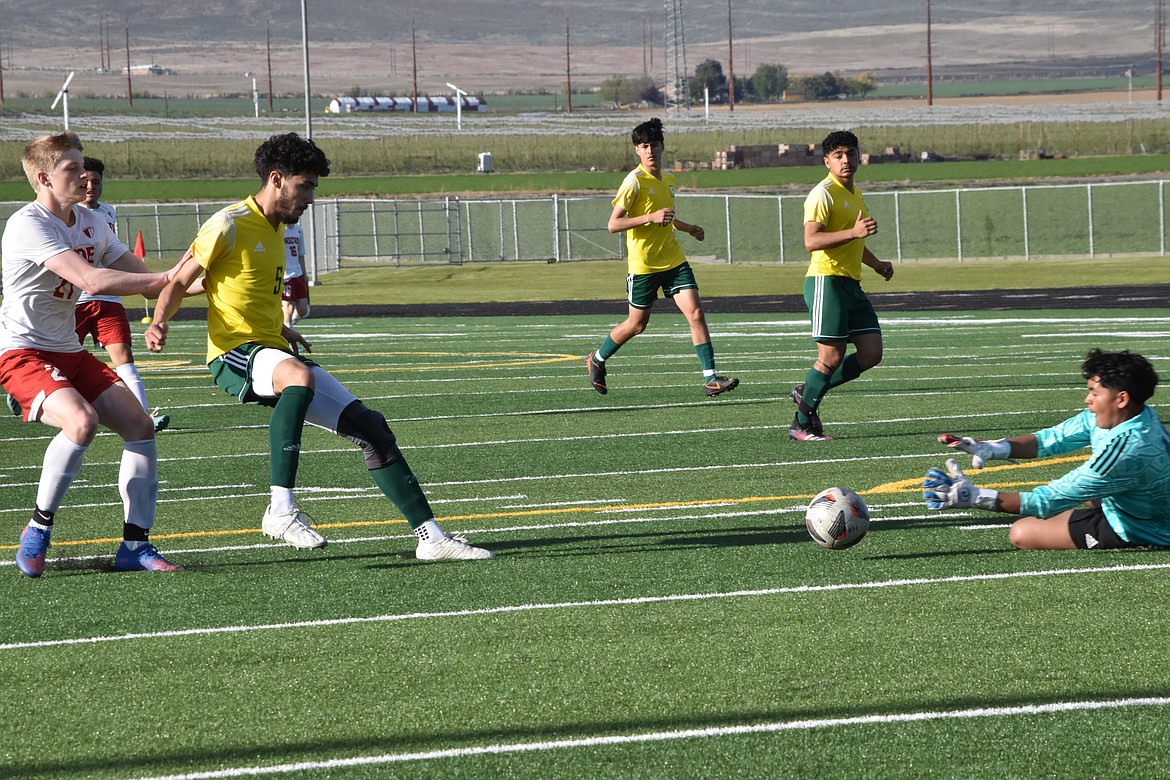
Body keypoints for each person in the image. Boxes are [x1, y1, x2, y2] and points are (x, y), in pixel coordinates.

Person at [145, 132, 492, 561]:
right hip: (232, 355)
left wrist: (281, 330)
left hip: (268, 348)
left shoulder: (277, 230)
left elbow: (236, 286)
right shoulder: (228, 223)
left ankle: (431, 538)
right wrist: (159, 321)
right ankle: (280, 509)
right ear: (277, 179)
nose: (310, 196)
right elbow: (179, 280)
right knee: (299, 375)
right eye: (304, 185)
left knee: (374, 431)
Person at [0, 131, 181, 577]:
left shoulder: (91, 220)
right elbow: (93, 281)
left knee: (139, 424)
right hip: (21, 351)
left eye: (84, 167)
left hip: (69, 351)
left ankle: (135, 546)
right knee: (82, 422)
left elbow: (146, 275)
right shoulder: (29, 223)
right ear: (43, 178)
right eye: (73, 169)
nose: (85, 176)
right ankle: (38, 527)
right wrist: (165, 279)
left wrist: (197, 277)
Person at [924, 348, 1170, 550]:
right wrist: (991, 448)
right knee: (1090, 493)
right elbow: (1052, 439)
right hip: (1144, 500)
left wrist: (974, 497)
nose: (1088, 399)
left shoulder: (1125, 450)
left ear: (1122, 398)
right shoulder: (1135, 415)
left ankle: (1144, 540)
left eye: (1094, 393)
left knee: (1022, 532)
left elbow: (1046, 502)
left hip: (1149, 527)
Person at [585, 117, 738, 398]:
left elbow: (667, 217)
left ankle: (711, 378)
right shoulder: (633, 182)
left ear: (662, 147)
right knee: (637, 325)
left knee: (696, 312)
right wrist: (649, 218)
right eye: (643, 146)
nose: (649, 151)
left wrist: (688, 228)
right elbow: (613, 224)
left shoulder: (668, 178)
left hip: (673, 260)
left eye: (654, 145)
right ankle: (597, 358)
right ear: (636, 150)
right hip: (644, 265)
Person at [789, 130, 894, 442]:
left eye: (850, 153)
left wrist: (876, 264)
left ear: (859, 156)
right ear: (827, 161)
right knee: (830, 357)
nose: (845, 160)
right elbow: (811, 241)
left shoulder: (855, 194)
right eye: (838, 155)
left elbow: (855, 242)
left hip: (851, 284)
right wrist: (853, 232)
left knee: (871, 353)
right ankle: (801, 424)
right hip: (827, 281)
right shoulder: (823, 194)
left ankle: (807, 391)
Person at [73, 156, 170, 432]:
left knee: (124, 356)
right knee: (63, 358)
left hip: (108, 297)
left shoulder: (108, 212)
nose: (90, 186)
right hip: (74, 300)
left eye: (96, 181)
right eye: (86, 181)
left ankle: (143, 416)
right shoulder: (65, 214)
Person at [281, 219, 310, 332]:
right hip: (286, 275)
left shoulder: (298, 230)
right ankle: (287, 339)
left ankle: (284, 328)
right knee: (289, 307)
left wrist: (304, 274)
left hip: (297, 273)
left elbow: (300, 254)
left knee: (303, 310)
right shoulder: (280, 230)